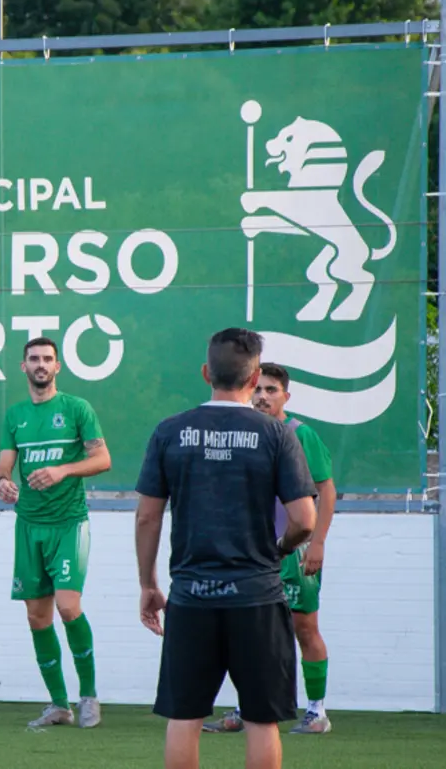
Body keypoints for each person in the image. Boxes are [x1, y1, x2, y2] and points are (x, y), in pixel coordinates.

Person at [134, 328, 317, 769]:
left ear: (205, 373)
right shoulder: (277, 435)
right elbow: (305, 521)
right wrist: (278, 549)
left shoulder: (169, 431)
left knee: (184, 716)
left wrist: (148, 584)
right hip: (257, 594)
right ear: (255, 379)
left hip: (192, 595)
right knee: (261, 720)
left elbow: (147, 517)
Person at [204, 362, 337, 735]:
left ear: (286, 397)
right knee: (248, 629)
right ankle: (248, 708)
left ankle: (317, 711)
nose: (262, 396)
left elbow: (326, 490)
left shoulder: (300, 434)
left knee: (303, 627)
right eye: (258, 389)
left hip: (294, 550)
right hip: (252, 550)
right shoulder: (244, 431)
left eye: (271, 390)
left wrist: (318, 542)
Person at [0, 336, 111, 729]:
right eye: (34, 359)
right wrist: (2, 483)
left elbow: (103, 458)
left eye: (47, 359)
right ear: (23, 367)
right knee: (37, 617)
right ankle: (59, 704)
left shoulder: (77, 408)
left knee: (67, 606)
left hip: (68, 523)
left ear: (58, 366)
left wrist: (63, 470)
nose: (41, 364)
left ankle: (89, 696)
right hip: (28, 525)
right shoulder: (15, 416)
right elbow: (4, 465)